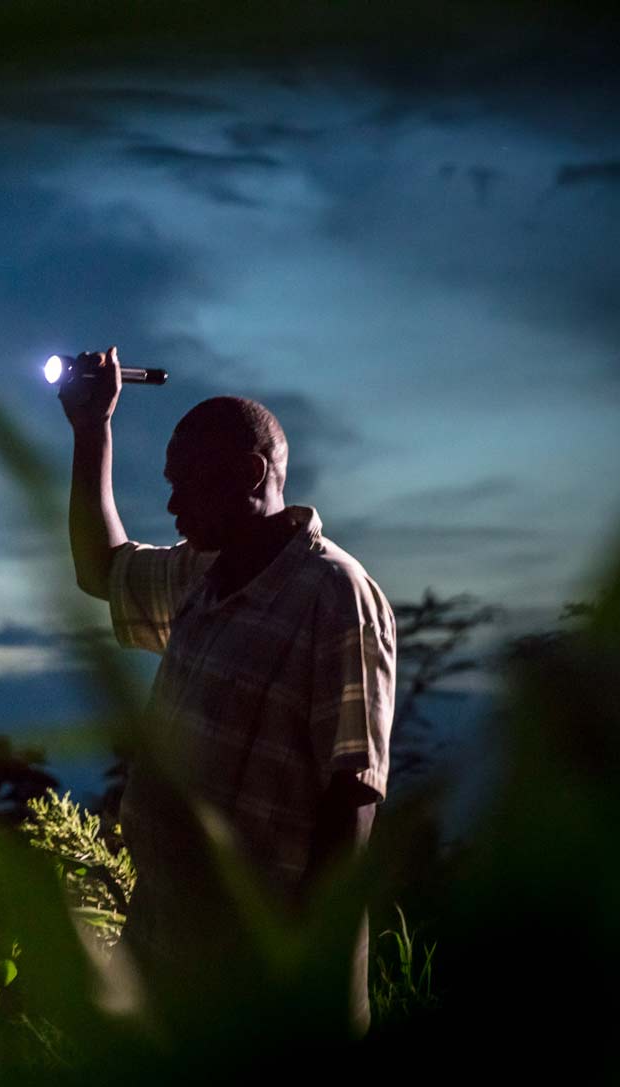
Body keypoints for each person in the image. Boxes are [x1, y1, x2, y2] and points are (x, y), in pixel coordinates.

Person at [58, 347, 396, 1039]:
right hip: (165, 945)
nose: (173, 503)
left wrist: (321, 980)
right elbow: (102, 571)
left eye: (188, 482)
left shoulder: (335, 596)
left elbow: (354, 796)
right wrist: (92, 430)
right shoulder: (203, 579)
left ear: (249, 473)